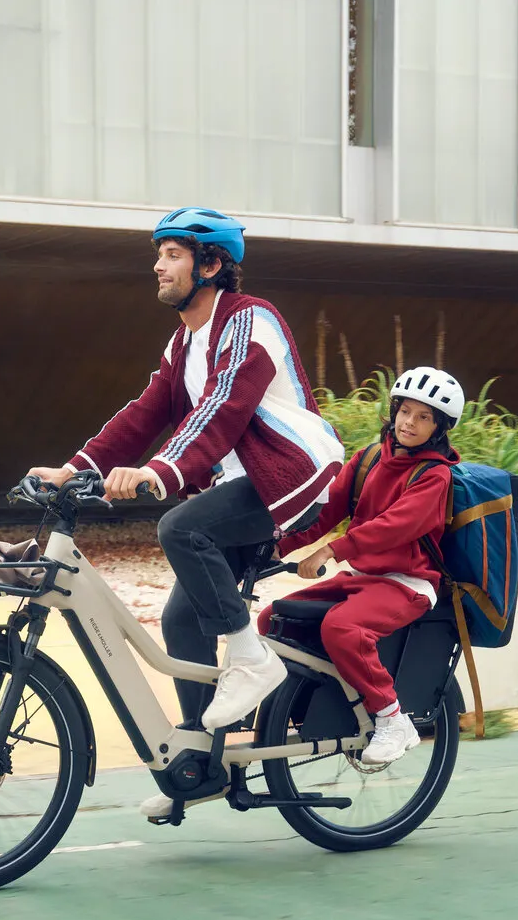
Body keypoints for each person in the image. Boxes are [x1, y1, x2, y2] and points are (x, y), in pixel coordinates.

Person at [25, 207, 343, 817]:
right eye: (159, 254)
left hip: (290, 477)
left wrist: (160, 471)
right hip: (237, 486)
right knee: (181, 619)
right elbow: (145, 410)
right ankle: (199, 762)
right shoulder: (185, 341)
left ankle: (252, 659)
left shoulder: (251, 320)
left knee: (180, 527)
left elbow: (223, 407)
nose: (158, 265)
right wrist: (74, 469)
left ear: (212, 264)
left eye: (172, 254)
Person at [260, 367, 466, 765]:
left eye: (424, 417)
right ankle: (301, 710)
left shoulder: (435, 476)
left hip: (407, 584)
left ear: (439, 428)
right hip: (361, 578)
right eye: (405, 411)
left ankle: (393, 720)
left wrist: (331, 551)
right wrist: (276, 547)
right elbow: (324, 513)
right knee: (274, 619)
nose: (410, 422)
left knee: (343, 629)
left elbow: (394, 526)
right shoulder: (369, 459)